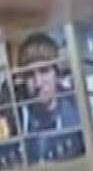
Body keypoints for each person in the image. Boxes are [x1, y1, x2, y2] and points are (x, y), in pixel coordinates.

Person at [16, 32, 82, 163]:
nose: (38, 82)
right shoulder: (18, 117)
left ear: (57, 73)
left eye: (44, 71)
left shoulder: (79, 111)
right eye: (29, 74)